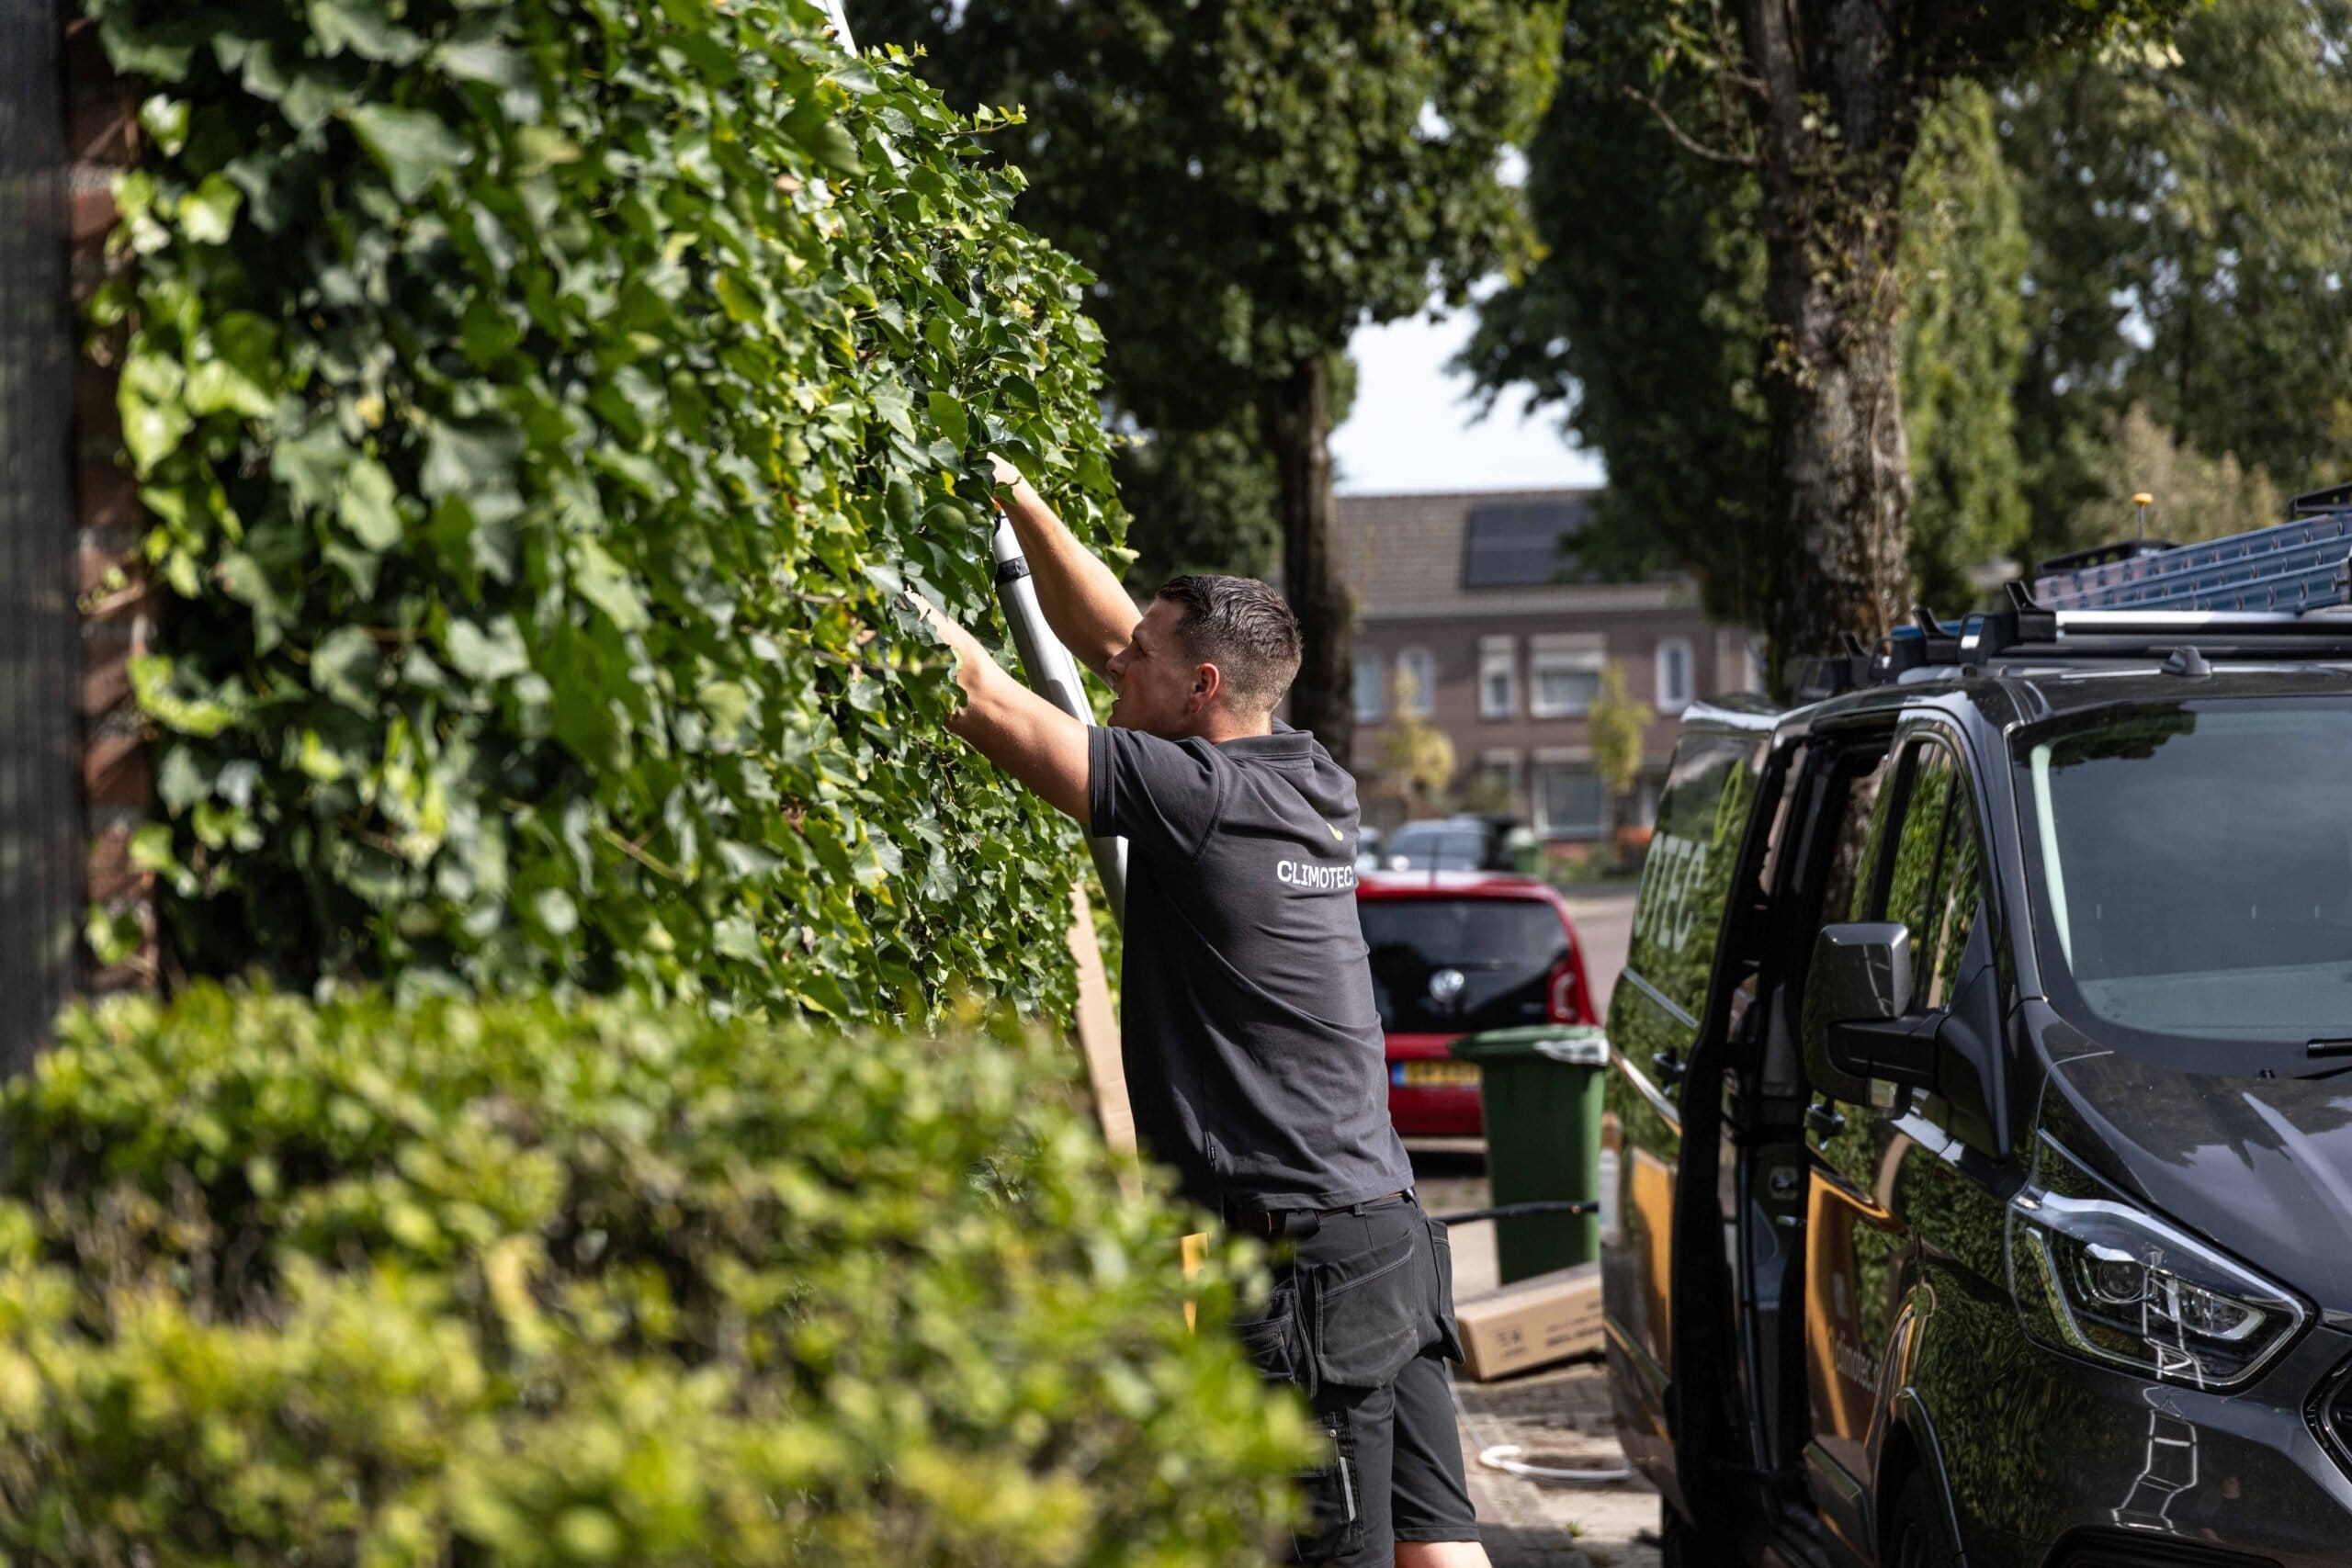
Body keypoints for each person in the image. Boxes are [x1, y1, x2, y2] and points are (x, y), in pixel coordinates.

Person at [902, 457, 1488, 1568]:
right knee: (1440, 1554)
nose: (1114, 661)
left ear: (1204, 689)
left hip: (1301, 1266)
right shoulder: (1306, 777)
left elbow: (981, 694)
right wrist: (1018, 501)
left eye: (1141, 659)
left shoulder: (1196, 800)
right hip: (1386, 1235)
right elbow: (1121, 636)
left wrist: (844, 562)